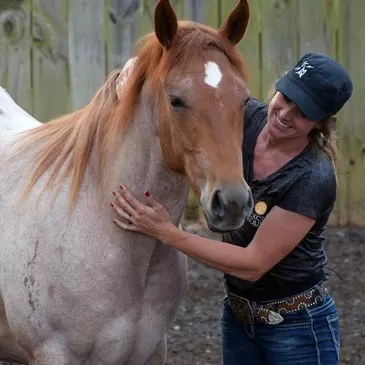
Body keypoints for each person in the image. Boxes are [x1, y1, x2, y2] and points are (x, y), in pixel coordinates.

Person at [110, 52, 353, 365]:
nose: (286, 113)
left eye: (303, 111)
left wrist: (166, 232)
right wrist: (136, 71)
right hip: (239, 317)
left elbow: (252, 264)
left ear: (320, 122)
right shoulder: (247, 120)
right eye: (287, 97)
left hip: (298, 329)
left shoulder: (311, 177)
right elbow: (194, 87)